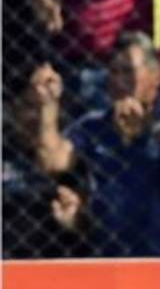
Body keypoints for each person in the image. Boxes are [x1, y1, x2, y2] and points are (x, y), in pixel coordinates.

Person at [33, 32, 160, 258]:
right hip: (108, 259)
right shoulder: (95, 123)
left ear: (155, 76)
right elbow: (52, 161)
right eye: (113, 71)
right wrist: (48, 105)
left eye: (128, 71)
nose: (119, 80)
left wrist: (150, 124)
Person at [2, 63, 92, 258]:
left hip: (54, 259)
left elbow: (85, 224)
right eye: (29, 106)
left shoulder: (69, 155)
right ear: (13, 109)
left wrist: (74, 222)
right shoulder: (5, 151)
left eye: (42, 107)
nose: (36, 116)